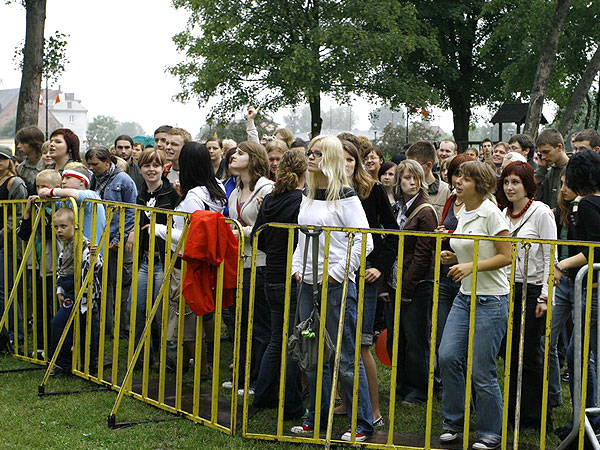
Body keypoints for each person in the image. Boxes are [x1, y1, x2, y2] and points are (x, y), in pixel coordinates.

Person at [290, 135, 374, 442]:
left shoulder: (347, 198)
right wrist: (297, 267)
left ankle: (362, 423)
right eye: (309, 153)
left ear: (331, 159)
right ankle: (317, 416)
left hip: (336, 288)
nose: (310, 158)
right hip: (307, 285)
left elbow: (365, 241)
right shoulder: (309, 194)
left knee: (345, 357)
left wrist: (338, 273)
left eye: (317, 154)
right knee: (312, 352)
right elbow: (302, 238)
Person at [438, 160, 512, 448]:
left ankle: (490, 431)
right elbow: (470, 250)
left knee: (482, 369)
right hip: (464, 298)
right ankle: (454, 421)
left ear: (479, 186)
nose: (458, 182)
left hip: (491, 301)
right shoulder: (463, 211)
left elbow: (506, 256)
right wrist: (454, 258)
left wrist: (471, 266)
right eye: (458, 176)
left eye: (465, 179)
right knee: (447, 357)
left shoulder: (491, 213)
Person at [336, 140, 398, 426]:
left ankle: (373, 411)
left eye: (351, 160)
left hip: (364, 274)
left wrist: (380, 267)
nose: (347, 164)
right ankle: (347, 402)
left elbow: (394, 233)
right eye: (342, 159)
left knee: (360, 345)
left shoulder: (372, 190)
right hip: (333, 274)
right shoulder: (326, 190)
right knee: (335, 342)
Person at [153, 142, 226, 372]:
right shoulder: (217, 189)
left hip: (187, 261)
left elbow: (190, 235)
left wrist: (158, 229)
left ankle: (201, 366)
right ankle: (190, 362)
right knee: (198, 314)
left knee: (186, 315)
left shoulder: (194, 196)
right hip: (205, 262)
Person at [497, 161, 556, 429]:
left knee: (529, 354)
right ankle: (511, 412)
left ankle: (534, 417)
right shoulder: (502, 214)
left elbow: (550, 256)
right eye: (506, 182)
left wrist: (545, 296)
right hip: (506, 289)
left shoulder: (541, 213)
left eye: (515, 182)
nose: (510, 187)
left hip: (533, 290)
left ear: (527, 185)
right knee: (509, 353)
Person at [251, 149, 306, 418]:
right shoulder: (303, 200)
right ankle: (292, 404)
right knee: (293, 342)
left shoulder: (270, 199)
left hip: (270, 275)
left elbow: (257, 237)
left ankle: (264, 394)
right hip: (293, 277)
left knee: (276, 339)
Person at [554, 150, 600, 435]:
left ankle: (589, 422)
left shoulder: (587, 205)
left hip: (592, 290)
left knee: (583, 355)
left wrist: (562, 264)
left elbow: (595, 247)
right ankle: (583, 421)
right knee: (579, 354)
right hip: (589, 289)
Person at [384, 159, 437, 405]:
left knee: (416, 338)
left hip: (417, 283)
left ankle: (419, 389)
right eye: (407, 178)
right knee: (399, 336)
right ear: (399, 181)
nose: (412, 182)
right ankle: (402, 383)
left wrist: (407, 286)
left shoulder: (425, 211)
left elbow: (423, 254)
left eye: (416, 178)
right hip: (397, 281)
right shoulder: (398, 208)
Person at [224, 141, 274, 394]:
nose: (234, 156)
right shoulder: (234, 191)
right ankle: (243, 375)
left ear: (254, 158)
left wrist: (236, 232)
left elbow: (264, 228)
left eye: (241, 153)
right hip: (240, 261)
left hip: (261, 262)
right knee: (242, 321)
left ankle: (258, 380)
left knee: (260, 325)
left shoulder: (267, 187)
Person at [125, 148, 179, 370]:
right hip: (145, 260)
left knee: (159, 312)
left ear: (163, 168)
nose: (151, 169)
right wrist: (132, 231)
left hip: (164, 260)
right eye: (147, 165)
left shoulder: (172, 195)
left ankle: (164, 358)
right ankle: (140, 355)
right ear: (141, 168)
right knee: (136, 307)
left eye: (156, 165)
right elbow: (138, 220)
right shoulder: (140, 194)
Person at [86, 146, 138, 336]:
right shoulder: (95, 178)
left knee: (121, 284)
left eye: (95, 164)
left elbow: (131, 211)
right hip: (100, 238)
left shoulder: (123, 180)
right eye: (89, 164)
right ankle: (106, 326)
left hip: (118, 240)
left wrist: (119, 238)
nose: (91, 167)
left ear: (108, 162)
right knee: (103, 283)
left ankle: (123, 327)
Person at [48, 207, 103, 376]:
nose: (59, 230)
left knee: (78, 327)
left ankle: (86, 365)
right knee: (76, 327)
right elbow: (61, 269)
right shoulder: (67, 246)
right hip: (69, 291)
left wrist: (95, 256)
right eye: (56, 227)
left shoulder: (85, 246)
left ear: (75, 226)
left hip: (83, 294)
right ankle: (67, 363)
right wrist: (59, 289)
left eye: (63, 226)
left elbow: (96, 266)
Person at [18, 170, 63, 354]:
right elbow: (23, 234)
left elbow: (50, 230)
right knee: (39, 307)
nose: (40, 190)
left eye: (45, 186)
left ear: (57, 188)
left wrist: (46, 209)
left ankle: (54, 347)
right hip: (36, 264)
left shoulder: (61, 207)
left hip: (53, 265)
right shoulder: (35, 206)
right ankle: (40, 346)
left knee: (53, 306)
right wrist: (28, 212)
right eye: (37, 186)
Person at [547, 171, 578, 409]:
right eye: (561, 184)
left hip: (583, 283)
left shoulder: (586, 212)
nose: (564, 188)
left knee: (577, 348)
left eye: (569, 184)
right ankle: (554, 394)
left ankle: (585, 407)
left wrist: (561, 266)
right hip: (561, 282)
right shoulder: (557, 214)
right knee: (546, 338)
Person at [38, 164, 107, 247]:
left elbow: (73, 193)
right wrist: (41, 196)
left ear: (82, 181)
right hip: (74, 251)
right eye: (63, 178)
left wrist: (52, 191)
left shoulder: (91, 195)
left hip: (93, 253)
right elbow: (51, 202)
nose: (63, 181)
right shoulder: (67, 200)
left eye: (68, 178)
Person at [0, 145, 28, 343]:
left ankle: (15, 335)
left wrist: (1, 235)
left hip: (8, 244)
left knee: (5, 290)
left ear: (10, 161)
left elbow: (17, 216)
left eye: (2, 158)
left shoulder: (15, 183)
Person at [406, 140, 450, 220]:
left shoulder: (445, 192)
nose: (409, 169)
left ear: (428, 165)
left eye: (414, 166)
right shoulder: (406, 189)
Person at [535, 128, 569, 210]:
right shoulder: (548, 173)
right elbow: (536, 198)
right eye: (541, 154)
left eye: (546, 152)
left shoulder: (574, 170)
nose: (543, 157)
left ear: (559, 147)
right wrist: (541, 170)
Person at [15, 125, 46, 193]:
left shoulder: (47, 165)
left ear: (33, 142)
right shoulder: (20, 168)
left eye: (23, 143)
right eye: (18, 143)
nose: (18, 146)